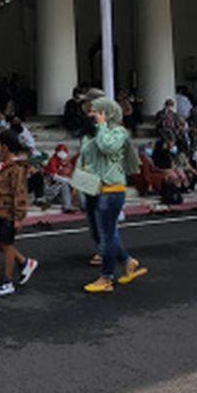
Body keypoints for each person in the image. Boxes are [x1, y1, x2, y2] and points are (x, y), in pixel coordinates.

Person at [80, 96, 147, 293]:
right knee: (103, 234)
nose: (91, 115)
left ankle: (106, 278)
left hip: (112, 190)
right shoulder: (91, 133)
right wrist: (80, 184)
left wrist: (101, 127)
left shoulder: (118, 132)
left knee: (107, 236)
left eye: (95, 111)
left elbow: (107, 147)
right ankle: (127, 261)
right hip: (94, 188)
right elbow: (86, 160)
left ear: (106, 113)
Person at [0, 128, 38, 296]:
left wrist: (19, 216)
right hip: (0, 211)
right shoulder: (5, 166)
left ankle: (7, 282)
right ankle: (25, 262)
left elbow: (19, 193)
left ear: (6, 148)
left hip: (9, 212)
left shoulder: (16, 169)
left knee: (7, 245)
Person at [43, 142, 78, 211]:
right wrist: (66, 180)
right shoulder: (53, 161)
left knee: (78, 182)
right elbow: (53, 176)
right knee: (64, 184)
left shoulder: (67, 162)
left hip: (63, 186)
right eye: (60, 151)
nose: (62, 153)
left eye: (63, 151)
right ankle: (67, 207)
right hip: (52, 186)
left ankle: (84, 206)